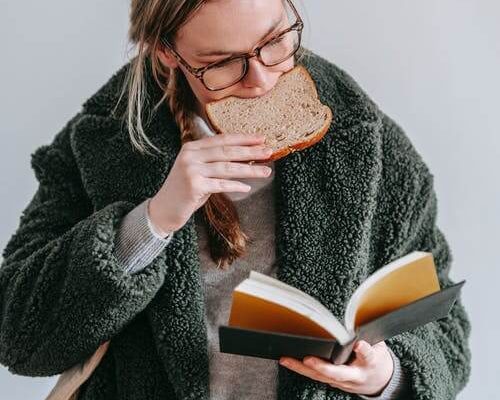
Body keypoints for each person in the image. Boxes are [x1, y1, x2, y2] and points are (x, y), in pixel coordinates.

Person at [0, 0, 471, 399]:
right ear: (168, 53)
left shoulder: (371, 145)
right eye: (224, 62)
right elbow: (18, 335)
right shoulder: (100, 143)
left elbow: (448, 341)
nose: (262, 79)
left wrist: (385, 377)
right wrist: (153, 221)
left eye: (276, 40)